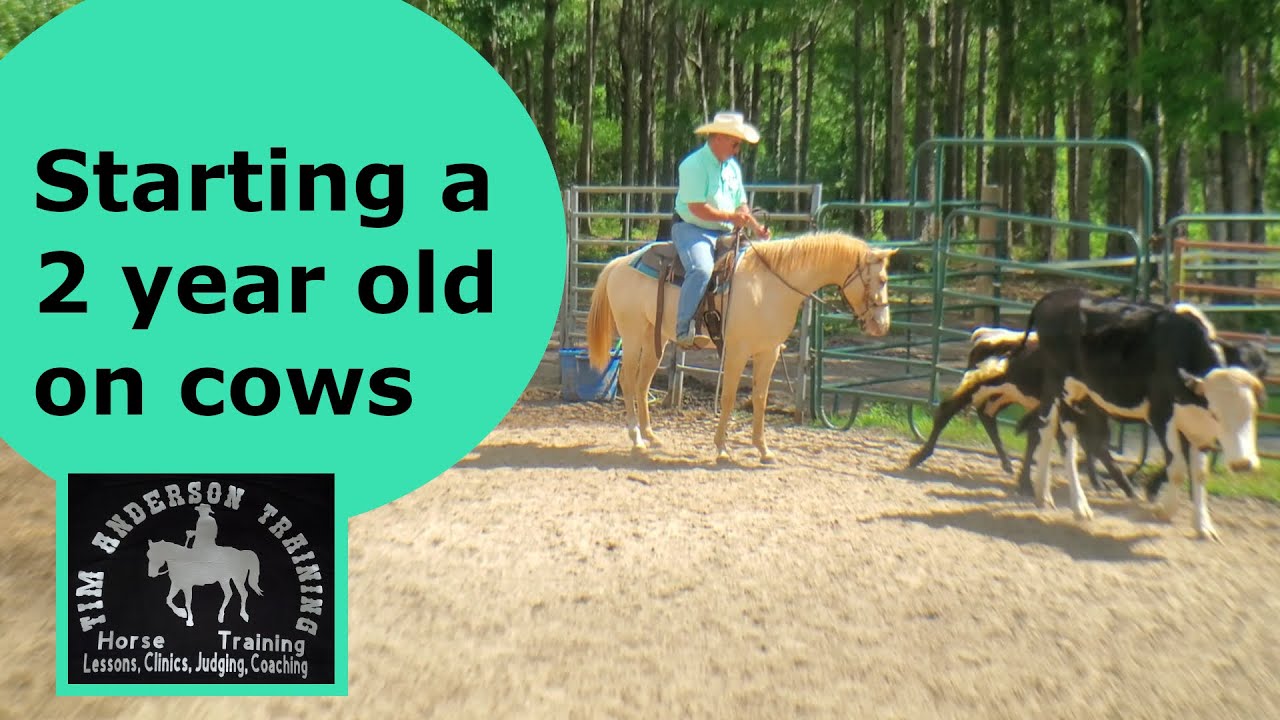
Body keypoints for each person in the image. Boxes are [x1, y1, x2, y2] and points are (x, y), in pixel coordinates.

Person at [671, 111, 770, 349]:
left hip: (724, 232)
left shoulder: (732, 168)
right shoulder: (693, 165)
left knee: (758, 265)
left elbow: (740, 202)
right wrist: (732, 217)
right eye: (735, 144)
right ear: (719, 138)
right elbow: (697, 208)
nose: (737, 150)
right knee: (701, 269)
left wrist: (755, 226)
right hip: (692, 228)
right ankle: (684, 329)